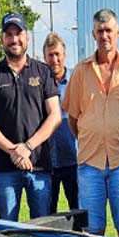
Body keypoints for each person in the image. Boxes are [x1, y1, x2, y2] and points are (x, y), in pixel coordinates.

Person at [63, 8, 119, 237]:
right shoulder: (80, 71)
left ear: (118, 32)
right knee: (93, 231)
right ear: (93, 34)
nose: (104, 36)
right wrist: (90, 136)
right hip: (89, 163)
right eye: (100, 31)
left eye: (109, 30)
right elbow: (73, 119)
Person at [0, 12, 61, 221]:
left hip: (39, 166)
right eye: (8, 34)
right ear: (2, 39)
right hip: (6, 169)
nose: (14, 39)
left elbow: (55, 116)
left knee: (41, 230)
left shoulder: (43, 72)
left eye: (18, 34)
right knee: (7, 231)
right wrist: (13, 151)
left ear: (27, 38)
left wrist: (28, 147)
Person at [43, 33, 78, 213]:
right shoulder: (40, 82)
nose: (54, 59)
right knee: (48, 214)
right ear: (44, 57)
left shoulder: (76, 80)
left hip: (75, 159)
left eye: (57, 54)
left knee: (77, 212)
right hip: (48, 161)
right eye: (50, 55)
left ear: (64, 55)